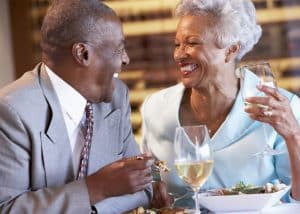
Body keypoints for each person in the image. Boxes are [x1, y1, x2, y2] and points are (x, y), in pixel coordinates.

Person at [140, 0, 300, 208]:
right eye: (177, 44)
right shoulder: (156, 108)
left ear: (230, 50)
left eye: (192, 43)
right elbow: (150, 176)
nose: (179, 54)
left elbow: (296, 200)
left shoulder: (281, 107)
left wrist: (294, 136)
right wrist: (152, 189)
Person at [0, 0, 154, 213]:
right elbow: (6, 208)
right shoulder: (12, 111)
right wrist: (96, 188)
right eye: (119, 48)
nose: (126, 59)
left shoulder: (116, 95)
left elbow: (143, 188)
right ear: (83, 54)